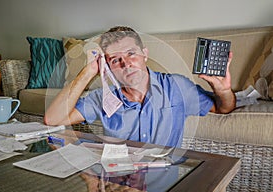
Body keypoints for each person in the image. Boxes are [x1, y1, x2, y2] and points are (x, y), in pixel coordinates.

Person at [44, 26, 235, 147]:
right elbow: (53, 119)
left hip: (164, 183)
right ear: (107, 66)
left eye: (131, 53)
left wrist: (224, 90)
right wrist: (88, 71)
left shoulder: (176, 86)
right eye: (116, 59)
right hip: (118, 183)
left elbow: (222, 107)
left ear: (145, 54)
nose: (126, 64)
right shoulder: (102, 97)